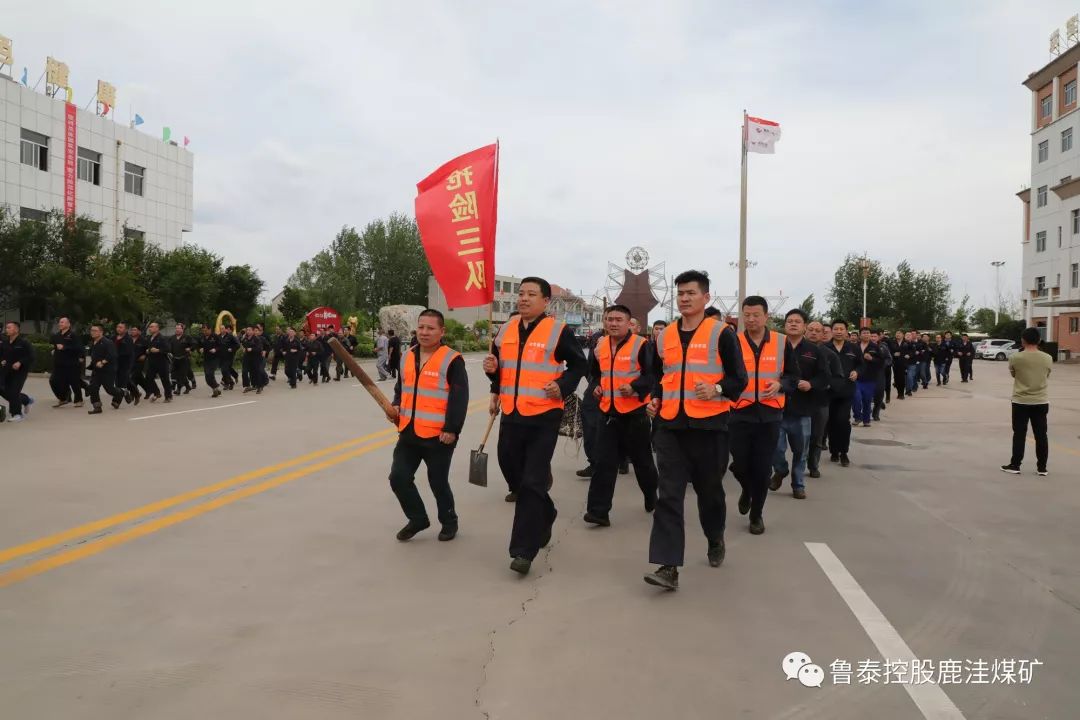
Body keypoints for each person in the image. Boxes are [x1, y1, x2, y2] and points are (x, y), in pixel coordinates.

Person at [642, 270, 747, 591]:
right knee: (668, 496)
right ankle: (668, 566)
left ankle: (715, 536)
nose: (685, 298)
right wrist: (655, 398)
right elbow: (659, 376)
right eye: (681, 293)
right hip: (670, 427)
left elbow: (739, 379)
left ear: (706, 297)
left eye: (691, 293)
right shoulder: (664, 337)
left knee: (710, 493)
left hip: (710, 428)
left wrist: (717, 389)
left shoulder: (722, 334)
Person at [483, 276, 587, 576]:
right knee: (513, 471)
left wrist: (562, 385)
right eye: (521, 293)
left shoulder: (557, 331)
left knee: (532, 481)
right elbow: (501, 370)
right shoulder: (506, 329)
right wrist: (493, 374)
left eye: (531, 294)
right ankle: (547, 511)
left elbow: (580, 365)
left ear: (545, 301)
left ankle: (523, 551)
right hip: (512, 412)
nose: (524, 298)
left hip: (543, 415)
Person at [386, 309, 469, 541]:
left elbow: (459, 397)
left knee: (438, 482)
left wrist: (452, 429)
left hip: (438, 435)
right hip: (408, 431)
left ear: (442, 331)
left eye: (430, 328)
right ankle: (418, 519)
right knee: (398, 478)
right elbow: (401, 388)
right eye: (421, 327)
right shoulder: (407, 356)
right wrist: (396, 405)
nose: (424, 332)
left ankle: (449, 521)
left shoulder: (452, 360)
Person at [583, 304, 659, 526]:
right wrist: (597, 387)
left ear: (628, 323)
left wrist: (635, 387)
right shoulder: (600, 346)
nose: (613, 323)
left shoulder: (641, 345)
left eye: (618, 320)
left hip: (635, 414)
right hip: (608, 413)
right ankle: (598, 512)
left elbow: (652, 376)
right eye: (610, 319)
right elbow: (595, 374)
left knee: (643, 462)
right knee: (603, 463)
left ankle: (650, 495)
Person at [729, 296, 798, 536]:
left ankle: (756, 514)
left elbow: (793, 376)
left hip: (769, 415)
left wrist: (781, 385)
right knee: (739, 465)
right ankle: (747, 490)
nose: (751, 319)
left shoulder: (781, 342)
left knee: (762, 468)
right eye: (746, 315)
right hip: (739, 412)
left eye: (756, 315)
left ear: (766, 316)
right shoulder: (734, 342)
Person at [770, 309, 829, 499]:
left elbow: (824, 377)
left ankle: (798, 484)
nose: (793, 324)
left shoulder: (815, 351)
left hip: (802, 409)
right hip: (776, 407)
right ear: (785, 325)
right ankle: (780, 470)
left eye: (797, 321)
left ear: (804, 326)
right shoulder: (775, 347)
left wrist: (811, 384)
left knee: (800, 451)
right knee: (776, 449)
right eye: (790, 321)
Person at [1001, 328, 1052, 476]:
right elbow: (1047, 375)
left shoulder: (1015, 357)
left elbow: (1014, 374)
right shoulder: (1047, 358)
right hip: (1041, 400)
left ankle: (1015, 465)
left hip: (1021, 400)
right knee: (1041, 434)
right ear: (1038, 340)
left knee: (1019, 434)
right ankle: (1042, 468)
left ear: (1023, 340)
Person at [824, 320, 859, 466]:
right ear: (831, 331)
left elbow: (861, 365)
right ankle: (834, 451)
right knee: (831, 421)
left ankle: (844, 452)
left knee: (843, 420)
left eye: (841, 329)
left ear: (846, 331)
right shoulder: (825, 348)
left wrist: (857, 372)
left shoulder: (853, 348)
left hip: (847, 390)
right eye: (836, 329)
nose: (839, 331)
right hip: (829, 391)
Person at [86, 323, 125, 414]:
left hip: (108, 370)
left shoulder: (107, 342)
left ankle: (122, 392)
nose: (92, 332)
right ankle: (97, 407)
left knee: (109, 389)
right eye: (91, 330)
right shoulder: (93, 342)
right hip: (96, 370)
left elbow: (113, 355)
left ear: (101, 332)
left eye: (95, 331)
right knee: (93, 387)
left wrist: (103, 362)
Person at [0, 321, 35, 423]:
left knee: (14, 391)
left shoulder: (24, 343)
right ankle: (26, 400)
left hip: (20, 372)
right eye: (6, 328)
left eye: (9, 328)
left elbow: (31, 356)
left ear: (16, 329)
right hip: (6, 371)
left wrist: (20, 362)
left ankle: (17, 414)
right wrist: (2, 360)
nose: (7, 329)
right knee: (3, 390)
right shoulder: (5, 342)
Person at [49, 317, 84, 407]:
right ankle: (63, 398)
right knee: (53, 381)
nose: (60, 324)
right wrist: (54, 350)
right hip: (58, 363)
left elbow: (79, 348)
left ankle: (79, 400)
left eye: (62, 322)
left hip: (71, 363)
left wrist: (65, 347)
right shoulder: (56, 335)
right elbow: (55, 346)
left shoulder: (73, 335)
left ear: (68, 324)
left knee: (74, 382)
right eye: (60, 322)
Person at [852, 327, 880, 427]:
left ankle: (866, 420)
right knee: (856, 398)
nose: (866, 335)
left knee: (867, 400)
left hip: (870, 378)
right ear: (860, 335)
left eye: (868, 333)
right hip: (856, 378)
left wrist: (872, 359)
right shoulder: (854, 347)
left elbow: (881, 362)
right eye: (864, 333)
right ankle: (857, 417)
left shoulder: (875, 347)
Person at [144, 322, 173, 403]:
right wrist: (148, 350)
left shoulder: (162, 338)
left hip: (162, 362)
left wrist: (158, 350)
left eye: (152, 327)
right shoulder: (149, 338)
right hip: (152, 362)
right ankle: (157, 393)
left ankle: (168, 396)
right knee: (148, 378)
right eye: (150, 327)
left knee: (165, 379)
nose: (150, 328)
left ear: (157, 328)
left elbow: (168, 349)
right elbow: (148, 348)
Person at [197, 324, 223, 397]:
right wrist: (199, 349)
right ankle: (216, 388)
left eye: (206, 331)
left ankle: (215, 389)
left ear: (210, 330)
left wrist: (215, 349)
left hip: (215, 358)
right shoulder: (201, 337)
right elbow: (198, 346)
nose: (204, 332)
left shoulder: (215, 336)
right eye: (203, 331)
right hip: (206, 359)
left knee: (210, 373)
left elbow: (221, 346)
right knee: (207, 377)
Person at [169, 323, 195, 395]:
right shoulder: (172, 338)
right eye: (176, 328)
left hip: (184, 358)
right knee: (174, 374)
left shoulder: (187, 337)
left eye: (179, 328)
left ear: (182, 329)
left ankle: (178, 389)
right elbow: (169, 347)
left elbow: (194, 344)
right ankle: (187, 387)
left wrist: (190, 348)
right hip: (175, 359)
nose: (177, 330)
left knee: (181, 375)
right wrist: (169, 352)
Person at [870, 329, 890, 422]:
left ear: (878, 337)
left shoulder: (883, 347)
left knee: (879, 393)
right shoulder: (864, 346)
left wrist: (882, 364)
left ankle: (876, 412)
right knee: (866, 393)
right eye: (871, 336)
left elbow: (889, 359)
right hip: (866, 373)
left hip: (879, 373)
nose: (873, 338)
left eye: (875, 336)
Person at [113, 323, 135, 404]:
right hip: (115, 363)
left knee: (122, 382)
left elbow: (128, 352)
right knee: (117, 382)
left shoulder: (128, 339)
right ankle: (132, 393)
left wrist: (115, 354)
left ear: (125, 329)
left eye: (121, 327)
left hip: (125, 363)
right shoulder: (113, 338)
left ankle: (116, 401)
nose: (118, 329)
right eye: (117, 327)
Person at [127, 325, 148, 405]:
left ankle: (133, 394)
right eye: (132, 330)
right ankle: (149, 390)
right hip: (130, 361)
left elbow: (148, 350)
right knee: (139, 378)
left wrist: (145, 355)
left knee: (133, 377)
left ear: (139, 331)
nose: (133, 331)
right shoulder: (128, 339)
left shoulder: (143, 340)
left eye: (135, 330)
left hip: (140, 361)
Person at [219, 324, 240, 390]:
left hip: (229, 356)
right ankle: (230, 382)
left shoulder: (230, 336)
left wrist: (232, 349)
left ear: (225, 329)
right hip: (221, 357)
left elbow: (238, 345)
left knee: (225, 369)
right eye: (220, 329)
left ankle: (227, 383)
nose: (222, 330)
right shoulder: (218, 337)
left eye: (223, 328)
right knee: (224, 370)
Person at [889, 330, 908, 400]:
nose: (898, 334)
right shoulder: (892, 343)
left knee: (902, 378)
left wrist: (909, 355)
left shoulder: (906, 343)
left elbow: (911, 351)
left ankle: (902, 393)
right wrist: (893, 354)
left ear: (903, 335)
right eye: (897, 333)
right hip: (895, 363)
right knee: (896, 379)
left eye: (899, 333)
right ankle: (898, 393)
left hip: (904, 363)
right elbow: (889, 352)